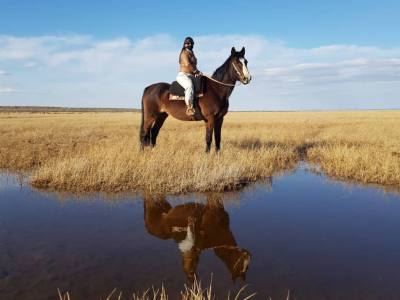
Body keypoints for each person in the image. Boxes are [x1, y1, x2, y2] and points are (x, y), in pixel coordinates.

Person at [176, 37, 202, 116]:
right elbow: (188, 64)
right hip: (183, 75)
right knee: (189, 86)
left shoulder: (192, 53)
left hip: (191, 75)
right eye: (187, 43)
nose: (189, 44)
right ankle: (189, 107)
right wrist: (195, 71)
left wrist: (197, 73)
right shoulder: (184, 53)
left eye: (190, 43)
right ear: (184, 44)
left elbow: (194, 66)